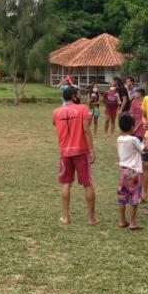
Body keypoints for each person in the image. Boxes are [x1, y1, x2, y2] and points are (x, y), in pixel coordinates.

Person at [53, 86, 97, 225]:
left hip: (64, 152)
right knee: (87, 183)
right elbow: (86, 130)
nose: (80, 96)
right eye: (78, 94)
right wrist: (91, 150)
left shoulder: (56, 112)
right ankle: (91, 218)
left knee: (66, 183)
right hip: (81, 152)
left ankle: (65, 217)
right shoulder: (82, 108)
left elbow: (55, 124)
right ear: (73, 96)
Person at [116, 114, 144, 230]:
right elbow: (143, 149)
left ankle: (122, 220)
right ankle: (133, 222)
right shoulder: (134, 139)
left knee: (122, 196)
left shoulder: (119, 139)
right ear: (132, 127)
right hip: (134, 172)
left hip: (123, 171)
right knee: (134, 197)